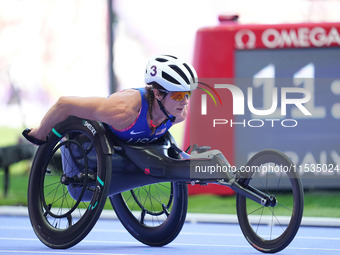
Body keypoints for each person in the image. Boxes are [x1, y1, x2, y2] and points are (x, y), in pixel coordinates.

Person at [22, 55, 198, 145]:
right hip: (91, 139)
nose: (185, 102)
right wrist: (40, 134)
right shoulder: (122, 110)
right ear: (158, 93)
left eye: (188, 94)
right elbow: (64, 104)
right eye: (178, 95)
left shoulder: (178, 115)